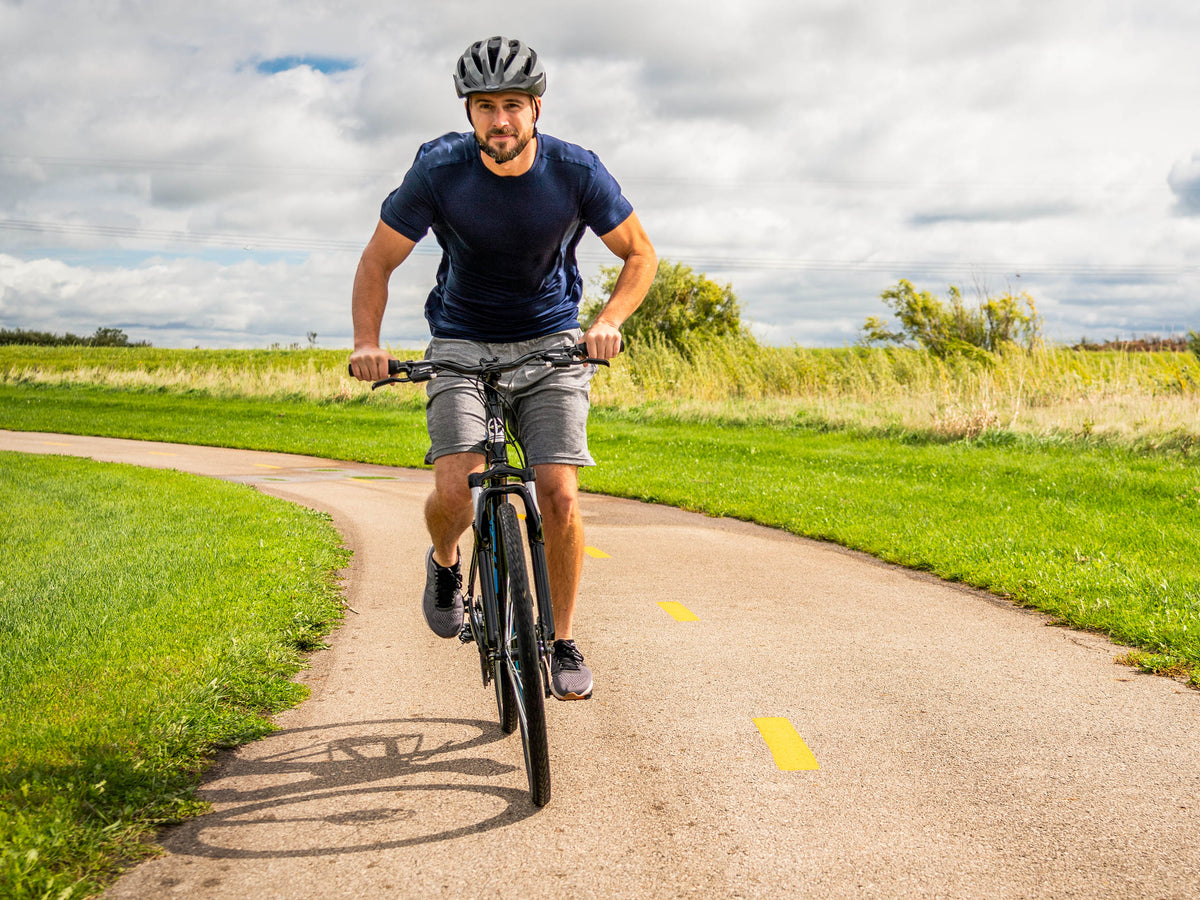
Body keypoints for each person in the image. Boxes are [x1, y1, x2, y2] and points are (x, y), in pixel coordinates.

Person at [348, 36, 656, 700]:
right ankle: (445, 561)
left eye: (512, 105)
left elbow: (640, 255)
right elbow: (377, 261)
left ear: (537, 109)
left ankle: (561, 639)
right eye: (484, 107)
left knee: (561, 495)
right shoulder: (438, 171)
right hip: (459, 342)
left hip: (551, 344)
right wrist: (366, 341)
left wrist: (608, 323)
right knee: (456, 487)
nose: (499, 121)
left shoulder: (576, 172)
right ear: (469, 114)